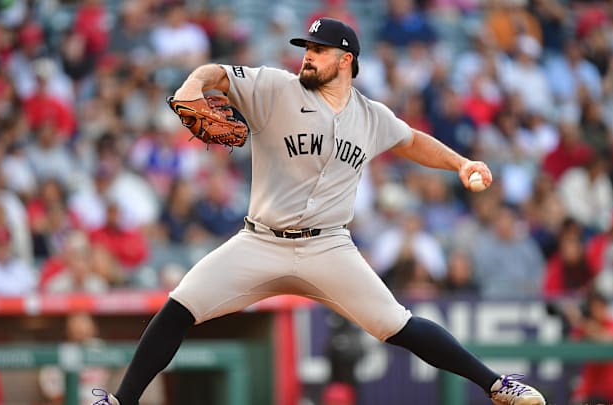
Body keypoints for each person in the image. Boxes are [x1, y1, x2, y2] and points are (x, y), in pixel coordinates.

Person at [92, 18, 546, 405]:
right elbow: (216, 74)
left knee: (397, 324)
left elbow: (411, 141)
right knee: (178, 307)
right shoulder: (274, 87)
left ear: (346, 60)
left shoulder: (372, 116)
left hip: (329, 247)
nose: (307, 56)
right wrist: (194, 84)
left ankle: (496, 385)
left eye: (319, 50)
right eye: (306, 48)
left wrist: (461, 163)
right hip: (259, 240)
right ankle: (121, 400)